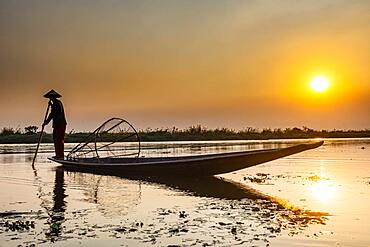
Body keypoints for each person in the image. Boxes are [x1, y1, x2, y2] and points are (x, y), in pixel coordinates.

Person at [43, 90, 67, 159]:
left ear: (53, 97)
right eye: (50, 98)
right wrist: (51, 106)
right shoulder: (55, 104)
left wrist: (46, 122)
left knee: (59, 140)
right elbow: (53, 113)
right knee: (56, 140)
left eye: (51, 97)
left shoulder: (57, 103)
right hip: (57, 125)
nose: (50, 99)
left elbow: (53, 114)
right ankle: (58, 155)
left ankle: (60, 155)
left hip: (60, 124)